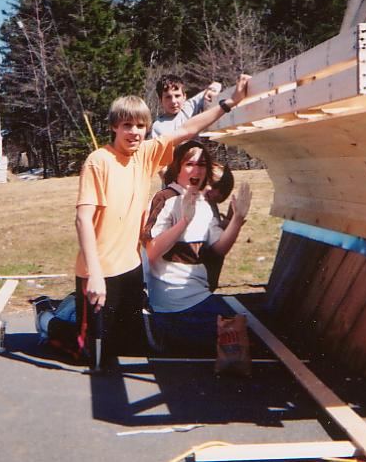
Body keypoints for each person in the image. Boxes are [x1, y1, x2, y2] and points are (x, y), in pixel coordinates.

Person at [35, 74, 251, 368]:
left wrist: (231, 102)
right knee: (93, 355)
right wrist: (95, 275)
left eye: (140, 126)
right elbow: (82, 220)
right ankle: (47, 321)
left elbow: (189, 127)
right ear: (114, 126)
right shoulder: (99, 161)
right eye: (127, 125)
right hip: (100, 271)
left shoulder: (146, 155)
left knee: (123, 344)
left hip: (131, 271)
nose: (134, 132)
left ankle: (73, 311)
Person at [141, 140, 251, 354]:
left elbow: (218, 249)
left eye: (202, 165)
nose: (196, 170)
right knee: (236, 341)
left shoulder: (206, 204)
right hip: (172, 302)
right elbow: (152, 252)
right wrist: (183, 222)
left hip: (197, 297)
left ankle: (171, 337)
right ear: (177, 167)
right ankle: (159, 330)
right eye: (189, 163)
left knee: (240, 335)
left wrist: (237, 219)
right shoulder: (165, 199)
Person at [151, 74, 222, 139]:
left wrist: (211, 91)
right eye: (168, 97)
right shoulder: (157, 127)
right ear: (160, 100)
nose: (173, 101)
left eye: (177, 96)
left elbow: (217, 85)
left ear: (184, 97)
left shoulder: (189, 108)